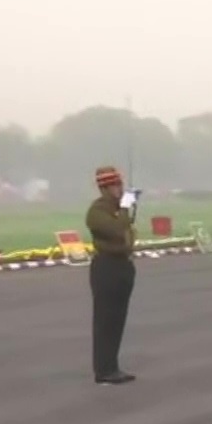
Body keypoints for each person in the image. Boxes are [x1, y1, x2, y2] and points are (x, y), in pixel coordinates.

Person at [85, 165, 139, 385]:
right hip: (106, 267)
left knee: (118, 320)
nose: (119, 188)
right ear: (105, 187)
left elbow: (127, 232)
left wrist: (128, 207)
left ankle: (113, 366)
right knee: (105, 321)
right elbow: (117, 230)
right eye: (115, 185)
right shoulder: (97, 211)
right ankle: (103, 370)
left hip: (122, 266)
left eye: (120, 184)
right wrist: (125, 209)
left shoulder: (116, 209)